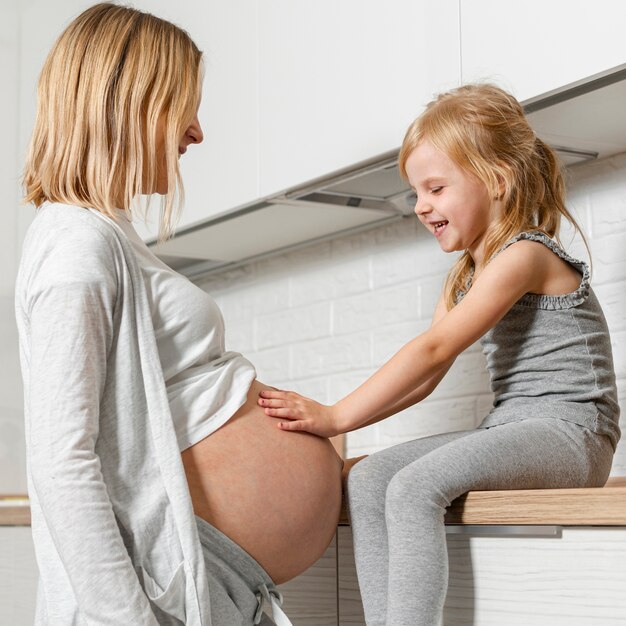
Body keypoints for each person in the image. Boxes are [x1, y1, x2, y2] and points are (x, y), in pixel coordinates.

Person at [15, 4, 342, 625]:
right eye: (182, 105)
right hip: (150, 599)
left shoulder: (106, 235)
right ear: (124, 102)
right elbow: (61, 460)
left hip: (206, 580)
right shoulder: (78, 244)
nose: (197, 132)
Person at [257, 83, 621, 625]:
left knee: (414, 486)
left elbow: (433, 348)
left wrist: (336, 415)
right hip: (513, 427)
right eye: (415, 193)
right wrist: (336, 429)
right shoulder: (467, 274)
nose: (421, 206)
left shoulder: (526, 252)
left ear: (496, 180)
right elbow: (426, 377)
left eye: (435, 188)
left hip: (572, 434)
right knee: (369, 477)